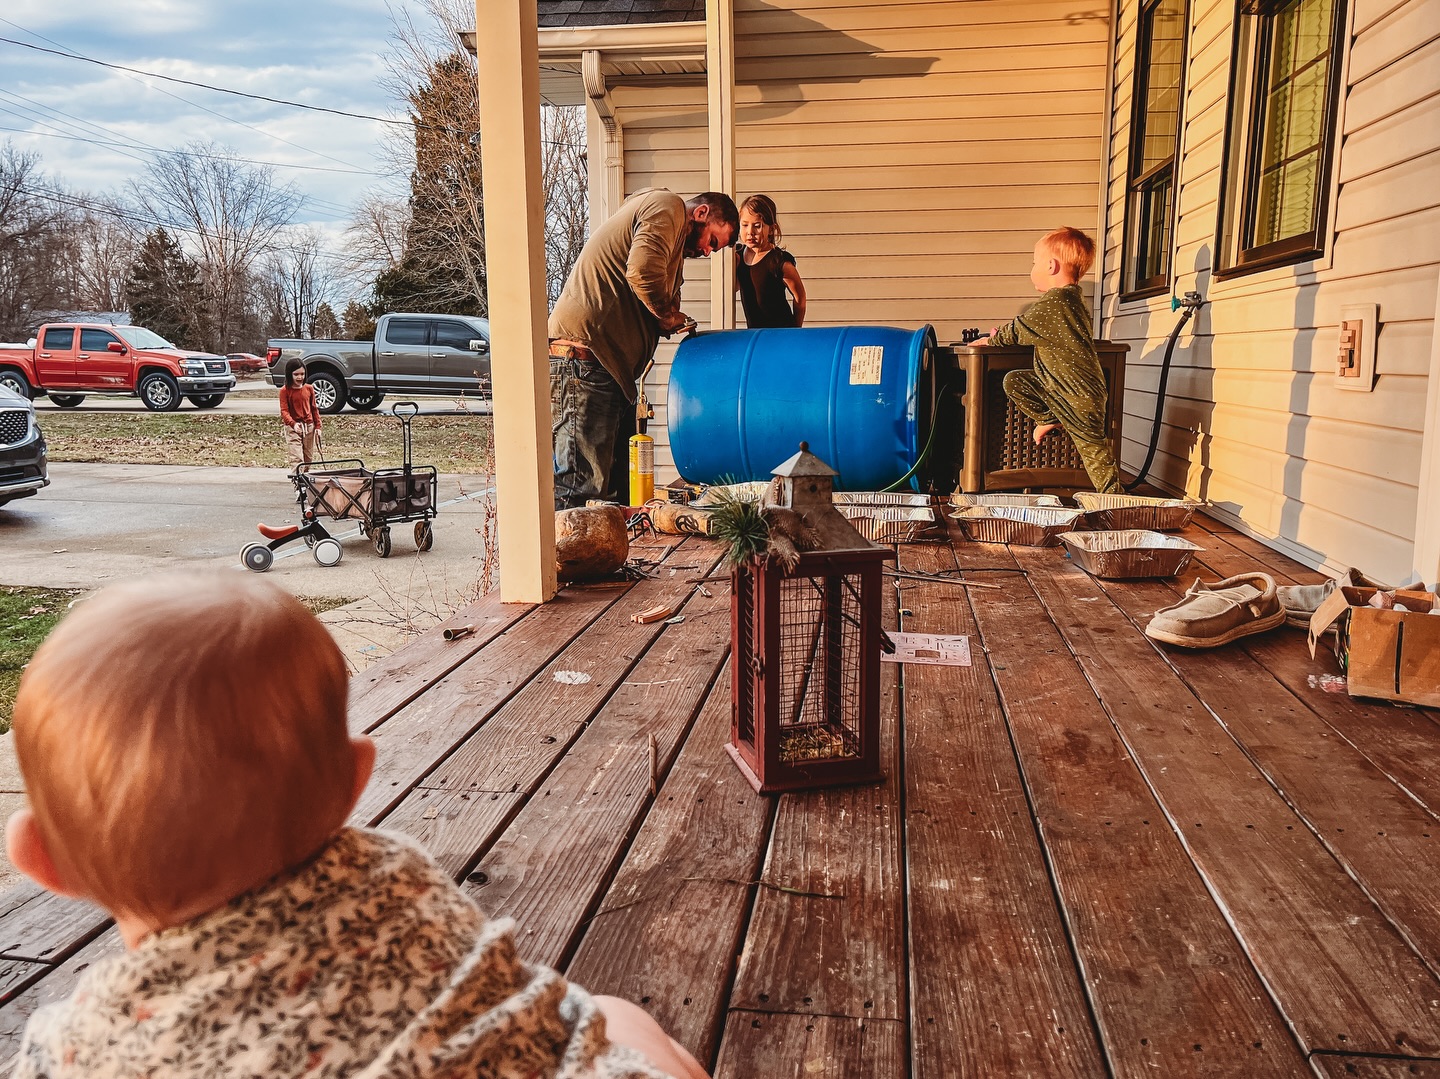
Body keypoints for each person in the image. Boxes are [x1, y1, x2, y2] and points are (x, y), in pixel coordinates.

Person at [6, 571, 710, 1079]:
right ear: (353, 780)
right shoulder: (391, 872)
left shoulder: (72, 1047)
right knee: (617, 1014)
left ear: (40, 858)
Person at [548, 189, 739, 510]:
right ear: (702, 213)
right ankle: (564, 559)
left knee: (615, 492)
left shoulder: (671, 239)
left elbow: (649, 285)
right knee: (580, 489)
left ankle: (608, 560)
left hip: (607, 371)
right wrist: (667, 314)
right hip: (583, 363)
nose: (708, 252)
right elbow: (642, 272)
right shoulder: (668, 207)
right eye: (713, 242)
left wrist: (666, 316)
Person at [971, 226, 1120, 493]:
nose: (1032, 269)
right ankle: (1048, 417)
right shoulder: (1073, 300)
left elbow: (1018, 329)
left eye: (1034, 263)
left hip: (1077, 395)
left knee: (1095, 454)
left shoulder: (1055, 302)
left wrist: (991, 339)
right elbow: (1032, 327)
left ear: (1051, 266)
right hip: (1061, 389)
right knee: (1016, 380)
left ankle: (1116, 501)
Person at [735, 194, 806, 329]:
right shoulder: (737, 255)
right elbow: (734, 288)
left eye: (757, 226)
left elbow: (800, 298)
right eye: (744, 225)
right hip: (755, 336)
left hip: (781, 334)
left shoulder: (779, 262)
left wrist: (795, 332)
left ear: (771, 229)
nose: (750, 232)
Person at [279, 359, 322, 467]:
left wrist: (318, 427)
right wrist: (293, 423)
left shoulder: (309, 388)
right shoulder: (285, 391)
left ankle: (305, 479)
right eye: (296, 374)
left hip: (309, 426)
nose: (300, 377)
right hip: (293, 427)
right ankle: (298, 480)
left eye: (302, 374)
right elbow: (284, 411)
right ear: (289, 374)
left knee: (308, 459)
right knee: (297, 458)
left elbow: (314, 409)